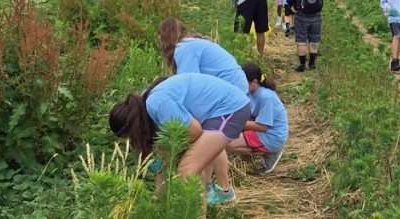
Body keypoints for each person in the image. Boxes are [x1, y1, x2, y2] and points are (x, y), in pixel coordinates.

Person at [109, 73, 250, 206]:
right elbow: (163, 164)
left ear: (133, 126)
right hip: (218, 111)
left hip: (229, 108)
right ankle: (205, 203)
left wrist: (174, 155)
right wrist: (158, 199)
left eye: (130, 136)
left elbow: (194, 131)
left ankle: (195, 210)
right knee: (193, 165)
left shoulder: (156, 103)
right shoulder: (147, 106)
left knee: (187, 169)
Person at [158, 17, 248, 94]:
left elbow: (188, 84)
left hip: (231, 89)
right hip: (238, 86)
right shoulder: (193, 43)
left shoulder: (184, 48)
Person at [227, 63, 288, 174]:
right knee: (230, 135)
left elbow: (263, 126)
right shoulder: (251, 93)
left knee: (227, 142)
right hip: (262, 132)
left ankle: (271, 153)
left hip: (272, 136)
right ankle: (253, 160)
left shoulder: (266, 97)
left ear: (254, 82)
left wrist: (235, 122)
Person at [285, 0, 330, 72]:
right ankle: (312, 63)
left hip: (301, 13)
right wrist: (317, 1)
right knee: (314, 38)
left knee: (301, 38)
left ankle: (302, 65)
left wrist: (293, 4)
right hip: (316, 13)